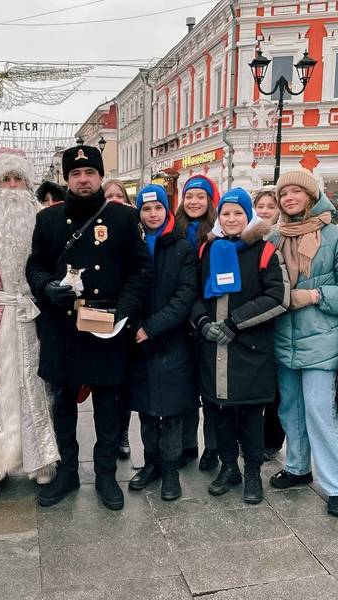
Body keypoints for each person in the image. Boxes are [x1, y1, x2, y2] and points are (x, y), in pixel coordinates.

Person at [26, 144, 151, 511]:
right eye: (76, 174)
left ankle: (106, 474)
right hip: (62, 327)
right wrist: (47, 288)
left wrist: (121, 314)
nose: (83, 179)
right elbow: (35, 267)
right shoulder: (48, 220)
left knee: (107, 407)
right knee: (62, 404)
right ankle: (67, 473)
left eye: (90, 173)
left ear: (99, 177)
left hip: (104, 329)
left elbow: (141, 270)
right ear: (67, 179)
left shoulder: (123, 219)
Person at [268, 169, 338, 518]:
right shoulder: (274, 237)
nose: (289, 198)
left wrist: (313, 295)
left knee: (320, 412)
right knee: (290, 409)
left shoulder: (336, 238)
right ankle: (297, 467)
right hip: (284, 340)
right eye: (284, 194)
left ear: (311, 196)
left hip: (322, 342)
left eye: (297, 192)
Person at [0, 153, 60, 485]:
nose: (13, 186)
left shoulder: (44, 220)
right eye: (6, 180)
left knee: (36, 388)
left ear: (28, 183)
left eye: (18, 179)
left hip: (35, 316)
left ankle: (40, 459)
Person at [191, 188, 289, 503]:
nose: (232, 219)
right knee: (218, 413)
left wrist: (234, 323)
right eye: (226, 213)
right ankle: (229, 467)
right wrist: (204, 323)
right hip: (213, 349)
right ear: (218, 217)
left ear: (248, 217)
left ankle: (251, 474)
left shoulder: (264, 252)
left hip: (249, 349)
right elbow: (194, 294)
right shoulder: (208, 250)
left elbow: (278, 297)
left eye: (238, 213)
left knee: (249, 416)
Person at [127, 184, 197, 501]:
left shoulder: (182, 247)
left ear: (167, 210)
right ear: (139, 212)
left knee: (170, 412)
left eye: (157, 208)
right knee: (145, 409)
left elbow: (185, 297)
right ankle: (151, 464)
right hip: (138, 340)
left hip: (172, 340)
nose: (152, 214)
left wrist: (152, 328)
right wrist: (134, 326)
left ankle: (170, 471)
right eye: (146, 208)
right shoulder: (133, 246)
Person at [174, 174, 220, 472]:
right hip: (181, 320)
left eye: (200, 197)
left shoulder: (216, 234)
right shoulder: (174, 231)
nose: (194, 202)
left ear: (209, 201)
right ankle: (187, 444)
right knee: (185, 388)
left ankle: (212, 447)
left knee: (212, 390)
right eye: (189, 196)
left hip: (209, 317)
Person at [102, 177, 135, 460]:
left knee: (124, 382)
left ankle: (122, 432)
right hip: (100, 316)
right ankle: (107, 435)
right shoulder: (94, 228)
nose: (113, 199)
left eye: (118, 195)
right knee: (104, 382)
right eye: (108, 195)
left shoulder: (133, 226)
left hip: (128, 314)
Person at [252, 185, 285, 461]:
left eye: (270, 207)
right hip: (254, 320)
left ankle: (271, 439)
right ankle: (251, 435)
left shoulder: (281, 238)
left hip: (280, 321)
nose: (264, 212)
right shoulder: (247, 237)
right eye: (260, 207)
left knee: (275, 388)